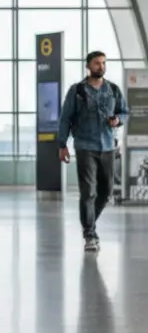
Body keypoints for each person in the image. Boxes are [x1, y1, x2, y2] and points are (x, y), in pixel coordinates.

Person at [57, 50, 128, 252]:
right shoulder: (77, 91)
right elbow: (65, 119)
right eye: (97, 63)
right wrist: (62, 145)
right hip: (85, 147)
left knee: (105, 193)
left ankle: (89, 223)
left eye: (104, 63)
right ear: (88, 66)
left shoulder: (113, 90)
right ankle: (90, 234)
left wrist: (118, 120)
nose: (101, 66)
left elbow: (124, 112)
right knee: (88, 192)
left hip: (107, 146)